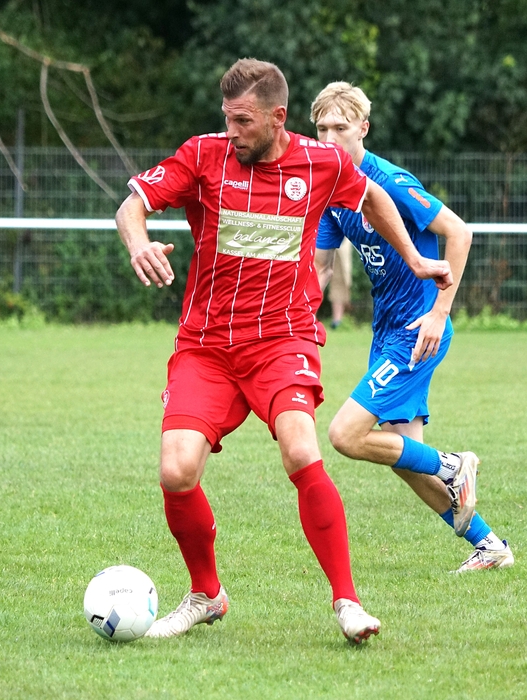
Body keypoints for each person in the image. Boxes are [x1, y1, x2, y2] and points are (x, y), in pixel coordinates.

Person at [115, 58, 457, 644]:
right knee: (176, 470)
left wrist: (417, 259)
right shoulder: (203, 155)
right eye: (227, 119)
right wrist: (138, 242)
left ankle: (348, 602)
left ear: (278, 117)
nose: (232, 131)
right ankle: (206, 594)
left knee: (301, 449)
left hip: (282, 340)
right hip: (206, 345)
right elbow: (132, 205)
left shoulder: (320, 162)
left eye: (243, 121)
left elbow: (375, 199)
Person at [312, 82, 513, 571]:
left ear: (363, 128)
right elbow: (320, 268)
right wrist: (293, 317)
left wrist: (440, 312)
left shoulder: (390, 182)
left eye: (340, 127)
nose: (329, 138)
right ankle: (491, 547)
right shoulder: (330, 190)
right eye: (321, 129)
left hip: (418, 329)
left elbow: (459, 232)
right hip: (387, 330)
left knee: (345, 435)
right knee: (402, 456)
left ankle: (453, 464)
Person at [326, 238, 354, 328]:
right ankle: (308, 318)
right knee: (313, 277)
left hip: (341, 241)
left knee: (340, 279)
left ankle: (337, 322)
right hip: (317, 237)